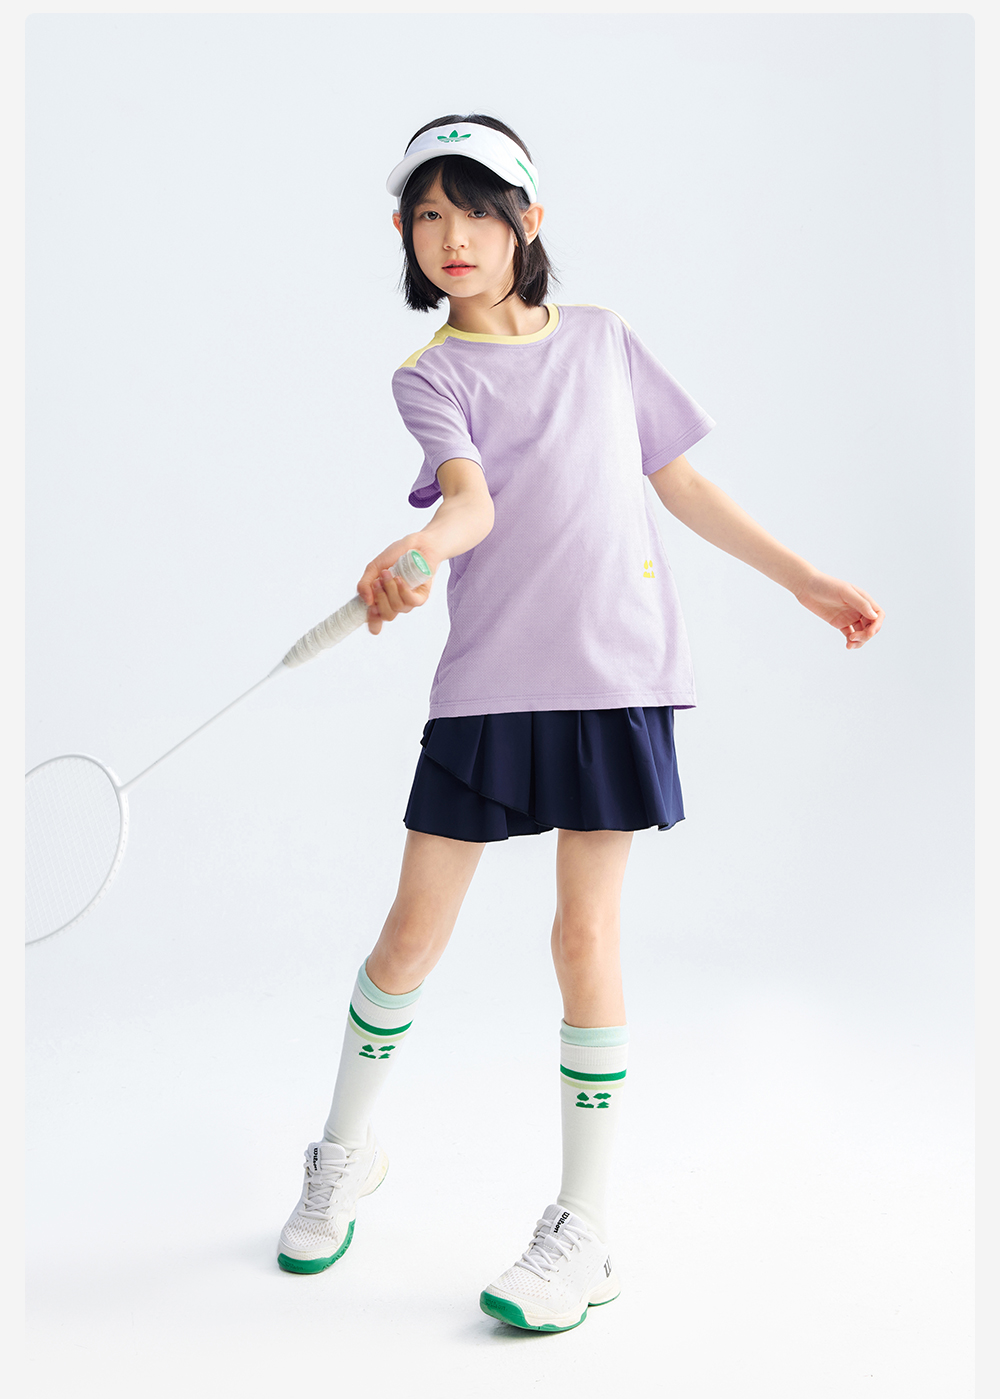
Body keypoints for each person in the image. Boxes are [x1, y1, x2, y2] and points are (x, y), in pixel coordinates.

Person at [276, 113, 884, 1333]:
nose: (453, 236)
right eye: (428, 215)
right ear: (404, 233)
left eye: (476, 210)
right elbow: (469, 505)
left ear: (528, 222)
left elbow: (681, 481)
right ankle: (344, 1150)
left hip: (616, 672)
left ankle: (585, 1228)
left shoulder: (604, 340)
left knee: (583, 934)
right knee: (409, 933)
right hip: (489, 684)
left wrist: (804, 579)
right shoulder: (429, 374)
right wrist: (415, 552)